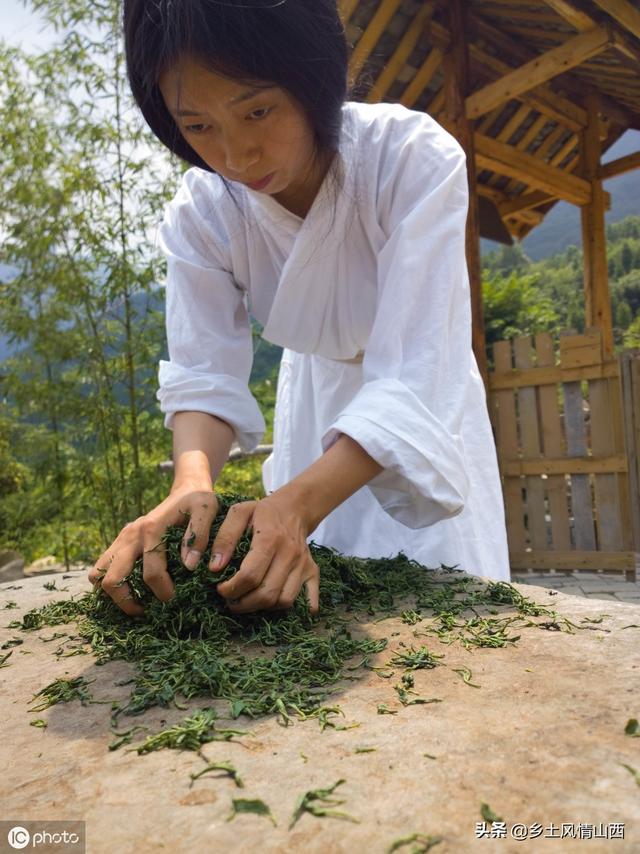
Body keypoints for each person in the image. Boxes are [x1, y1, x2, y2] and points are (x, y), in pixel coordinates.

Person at [88, 0, 510, 619]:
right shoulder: (203, 212)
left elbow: (419, 367)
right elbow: (204, 373)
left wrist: (297, 506)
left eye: (257, 110)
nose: (236, 156)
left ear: (313, 79)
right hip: (312, 411)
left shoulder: (409, 160)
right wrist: (192, 481)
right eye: (198, 126)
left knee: (446, 607)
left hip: (423, 413)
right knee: (314, 602)